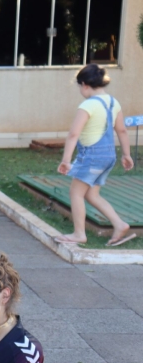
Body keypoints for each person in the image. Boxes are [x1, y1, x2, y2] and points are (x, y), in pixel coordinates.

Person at [55, 64, 136, 246]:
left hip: (91, 156)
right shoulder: (114, 102)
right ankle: (119, 224)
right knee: (92, 194)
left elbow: (73, 134)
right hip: (109, 155)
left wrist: (66, 160)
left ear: (84, 84)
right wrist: (126, 154)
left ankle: (79, 234)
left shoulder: (88, 104)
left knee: (75, 192)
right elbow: (122, 130)